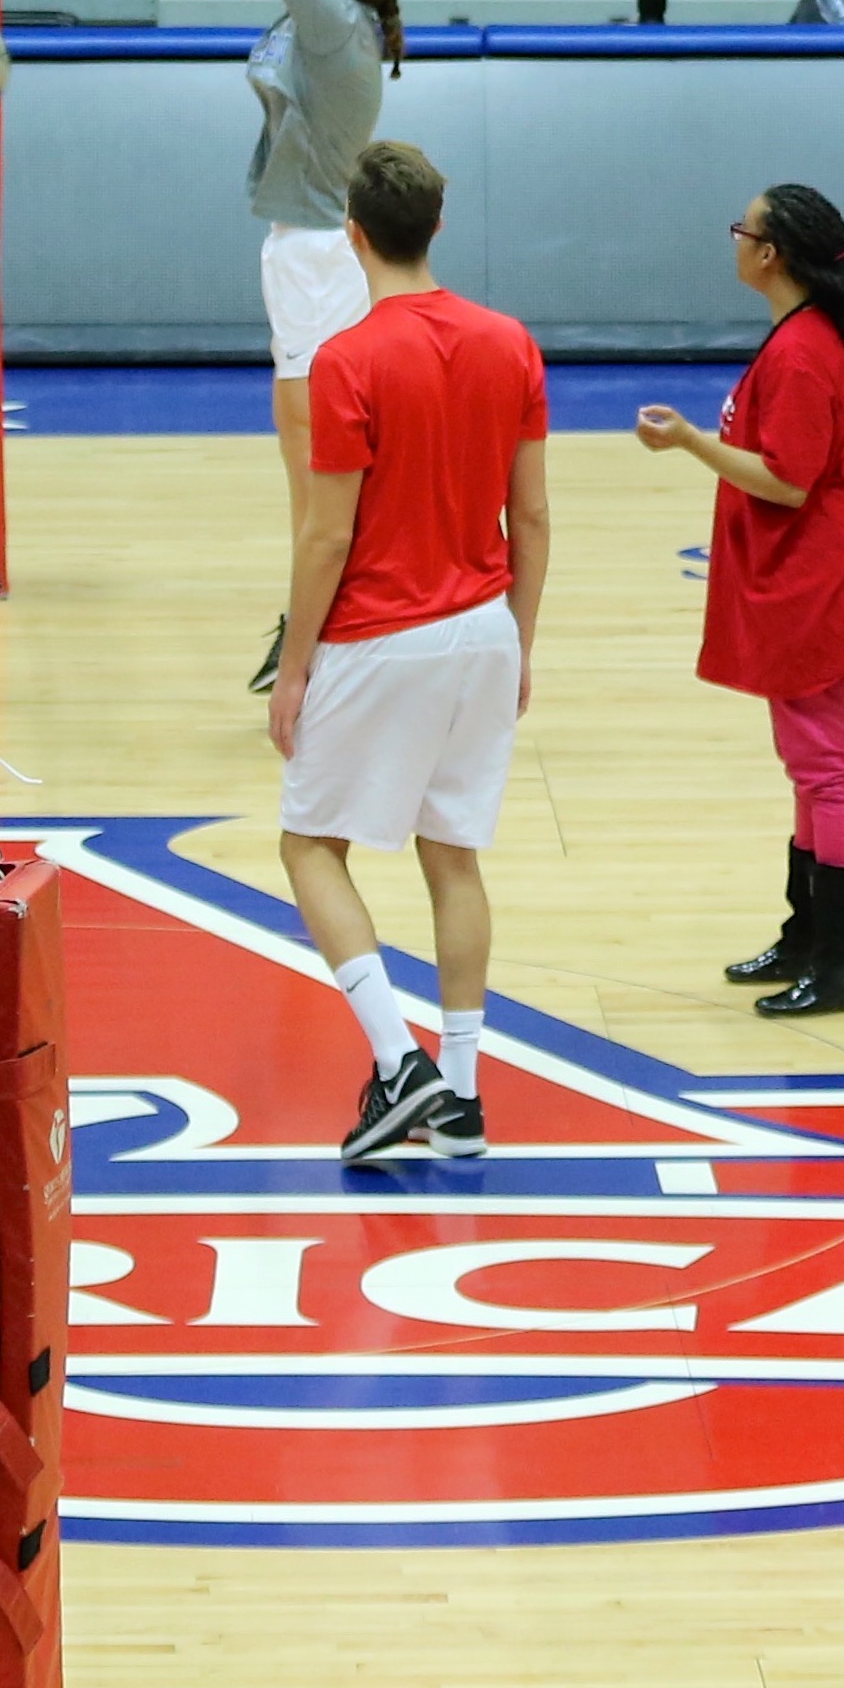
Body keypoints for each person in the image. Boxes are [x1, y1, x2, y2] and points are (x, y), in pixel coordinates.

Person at [273, 140, 550, 1170]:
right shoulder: (509, 341)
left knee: (309, 845)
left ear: (352, 235)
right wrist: (517, 640)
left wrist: (294, 665)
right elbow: (529, 514)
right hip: (482, 626)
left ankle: (397, 1064)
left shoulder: (347, 357)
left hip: (381, 633)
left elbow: (325, 536)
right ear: (435, 225)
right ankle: (463, 1096)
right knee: (453, 857)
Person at [162, 0, 409, 695]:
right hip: (304, 251)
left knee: (320, 466)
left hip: (317, 260)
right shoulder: (342, 16)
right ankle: (335, 607)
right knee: (304, 453)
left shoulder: (331, 20)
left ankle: (324, 626)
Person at [633, 183, 844, 1018]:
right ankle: (806, 935)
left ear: (770, 253)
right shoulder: (807, 336)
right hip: (812, 573)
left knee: (826, 768)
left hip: (812, 580)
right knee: (810, 768)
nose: (734, 239)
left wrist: (689, 442)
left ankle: (843, 961)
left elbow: (786, 481)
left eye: (740, 228)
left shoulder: (800, 351)